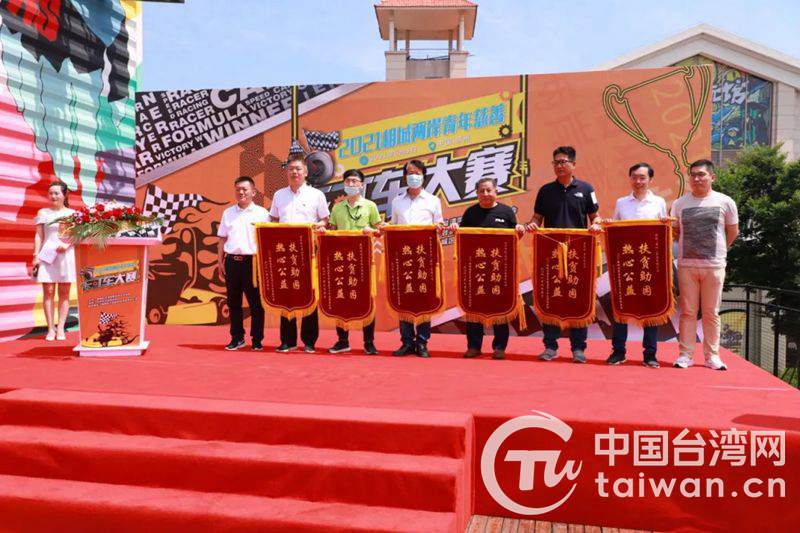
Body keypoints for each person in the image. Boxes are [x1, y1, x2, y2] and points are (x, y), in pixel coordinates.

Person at [524, 146, 601, 363]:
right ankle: (550, 346)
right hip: (551, 251)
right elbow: (537, 218)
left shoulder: (586, 189)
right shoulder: (545, 191)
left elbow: (595, 216)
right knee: (552, 296)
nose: (559, 166)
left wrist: (596, 224)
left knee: (579, 298)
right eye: (556, 162)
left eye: (563, 162)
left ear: (573, 164)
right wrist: (532, 224)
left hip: (579, 252)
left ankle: (578, 348)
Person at [670, 159, 739, 370]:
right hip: (687, 266)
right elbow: (675, 232)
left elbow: (733, 231)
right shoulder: (679, 203)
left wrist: (720, 250)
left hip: (714, 266)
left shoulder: (725, 202)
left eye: (701, 174)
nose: (697, 179)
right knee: (688, 312)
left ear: (712, 177)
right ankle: (685, 355)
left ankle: (712, 357)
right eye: (693, 175)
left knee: (711, 312)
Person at [455, 177, 526, 360]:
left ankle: (499, 347)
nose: (485, 194)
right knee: (474, 307)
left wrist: (519, 231)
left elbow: (515, 238)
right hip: (476, 269)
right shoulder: (470, 213)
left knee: (499, 306)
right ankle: (474, 346)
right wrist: (456, 229)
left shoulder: (506, 212)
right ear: (477, 193)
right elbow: (462, 238)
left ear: (496, 191)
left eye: (488, 190)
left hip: (499, 269)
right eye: (481, 191)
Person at [605, 162, 668, 368]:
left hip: (649, 263)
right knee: (622, 305)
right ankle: (618, 351)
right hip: (626, 262)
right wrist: (608, 224)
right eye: (634, 177)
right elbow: (614, 229)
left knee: (651, 307)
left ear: (650, 180)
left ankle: (650, 354)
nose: (638, 181)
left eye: (642, 177)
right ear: (630, 179)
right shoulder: (622, 203)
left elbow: (664, 232)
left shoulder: (658, 202)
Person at [270, 154, 330, 353]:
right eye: (290, 169)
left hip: (308, 252)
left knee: (308, 295)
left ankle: (309, 341)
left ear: (305, 172)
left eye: (298, 169)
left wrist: (318, 226)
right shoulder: (279, 195)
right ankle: (287, 340)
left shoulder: (316, 195)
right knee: (286, 293)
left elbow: (325, 220)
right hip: (284, 253)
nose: (294, 172)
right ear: (286, 172)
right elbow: (273, 220)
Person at [389, 159, 446, 358]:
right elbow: (393, 227)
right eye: (410, 173)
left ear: (423, 176)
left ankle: (422, 342)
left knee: (423, 297)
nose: (413, 176)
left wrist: (439, 228)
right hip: (403, 256)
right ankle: (406, 342)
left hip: (424, 257)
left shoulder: (433, 200)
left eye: (417, 173)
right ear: (405, 176)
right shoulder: (397, 201)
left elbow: (439, 225)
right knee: (404, 296)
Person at [322, 169, 381, 355]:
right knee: (341, 297)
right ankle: (343, 340)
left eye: (355, 181)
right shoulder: (337, 207)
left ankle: (369, 342)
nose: (351, 184)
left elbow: (380, 229)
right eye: (348, 181)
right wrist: (324, 231)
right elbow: (332, 230)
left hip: (363, 260)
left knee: (367, 300)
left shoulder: (370, 206)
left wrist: (372, 231)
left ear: (362, 185)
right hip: (341, 260)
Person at [217, 176, 269, 351]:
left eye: (245, 189)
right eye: (238, 189)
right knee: (233, 302)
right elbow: (222, 239)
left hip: (253, 263)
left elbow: (267, 240)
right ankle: (237, 337)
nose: (241, 192)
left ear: (253, 192)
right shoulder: (228, 213)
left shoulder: (262, 213)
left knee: (255, 303)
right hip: (232, 262)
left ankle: (257, 339)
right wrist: (220, 261)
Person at [33, 180, 76, 341]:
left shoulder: (72, 214)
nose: (53, 196)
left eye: (56, 193)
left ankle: (61, 328)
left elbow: (78, 235)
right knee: (48, 292)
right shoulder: (43, 212)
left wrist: (67, 245)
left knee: (64, 292)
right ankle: (51, 328)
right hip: (47, 255)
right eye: (50, 193)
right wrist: (35, 255)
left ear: (64, 195)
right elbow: (39, 235)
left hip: (65, 255)